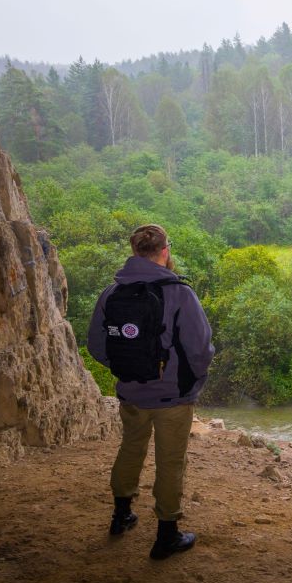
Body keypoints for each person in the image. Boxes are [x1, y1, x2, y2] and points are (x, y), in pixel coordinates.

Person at [86, 224, 214, 560]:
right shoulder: (180, 293)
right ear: (164, 251)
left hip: (130, 393)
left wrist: (126, 370)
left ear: (134, 252)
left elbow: (97, 345)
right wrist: (190, 381)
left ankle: (121, 515)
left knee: (130, 449)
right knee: (170, 462)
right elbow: (200, 349)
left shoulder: (111, 293)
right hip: (173, 397)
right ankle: (166, 535)